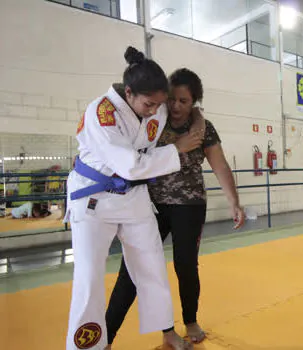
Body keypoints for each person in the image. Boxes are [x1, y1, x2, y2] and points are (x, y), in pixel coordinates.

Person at [65, 47, 203, 350]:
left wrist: (199, 120)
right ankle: (88, 346)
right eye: (148, 104)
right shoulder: (101, 113)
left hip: (134, 196)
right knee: (89, 277)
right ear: (128, 93)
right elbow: (128, 164)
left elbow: (188, 109)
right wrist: (176, 149)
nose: (155, 111)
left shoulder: (157, 106)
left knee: (152, 265)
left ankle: (167, 331)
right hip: (94, 200)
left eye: (159, 104)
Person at [105, 68, 245, 347]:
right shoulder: (153, 119)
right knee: (132, 269)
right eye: (172, 99)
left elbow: (220, 165)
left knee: (185, 266)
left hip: (189, 205)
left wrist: (234, 202)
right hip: (148, 205)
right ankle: (106, 335)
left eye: (184, 101)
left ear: (194, 102)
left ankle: (189, 320)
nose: (176, 106)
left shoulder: (203, 127)